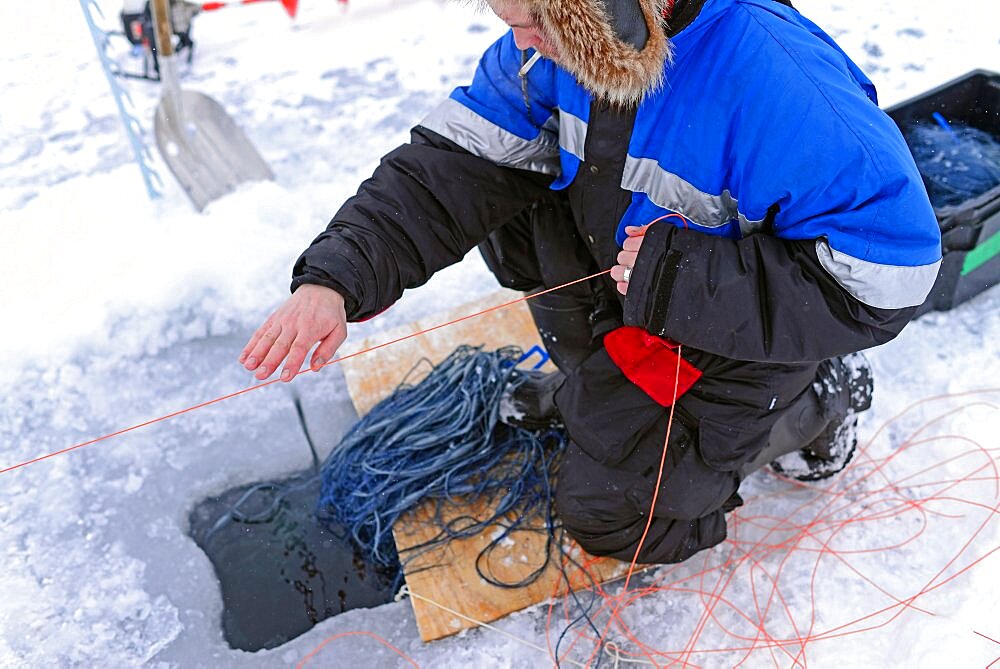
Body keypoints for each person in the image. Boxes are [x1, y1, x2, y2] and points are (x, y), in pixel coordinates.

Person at [240, 0, 942, 564]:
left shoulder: (777, 80)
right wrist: (334, 279)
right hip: (637, 280)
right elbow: (449, 168)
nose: (521, 43)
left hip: (736, 330)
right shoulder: (551, 54)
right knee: (506, 194)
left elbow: (892, 275)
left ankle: (816, 400)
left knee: (605, 512)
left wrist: (685, 279)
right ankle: (601, 387)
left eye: (534, 21)